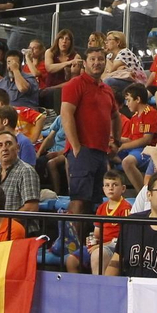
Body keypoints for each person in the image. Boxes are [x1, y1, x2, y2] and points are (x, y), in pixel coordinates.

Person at [60, 43, 119, 221]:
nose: (96, 62)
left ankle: (86, 238)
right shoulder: (75, 84)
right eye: (92, 59)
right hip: (83, 150)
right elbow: (66, 114)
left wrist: (116, 141)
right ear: (85, 63)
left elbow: (115, 116)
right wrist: (76, 147)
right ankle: (71, 238)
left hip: (100, 153)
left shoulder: (107, 89)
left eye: (100, 59)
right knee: (79, 201)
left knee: (94, 202)